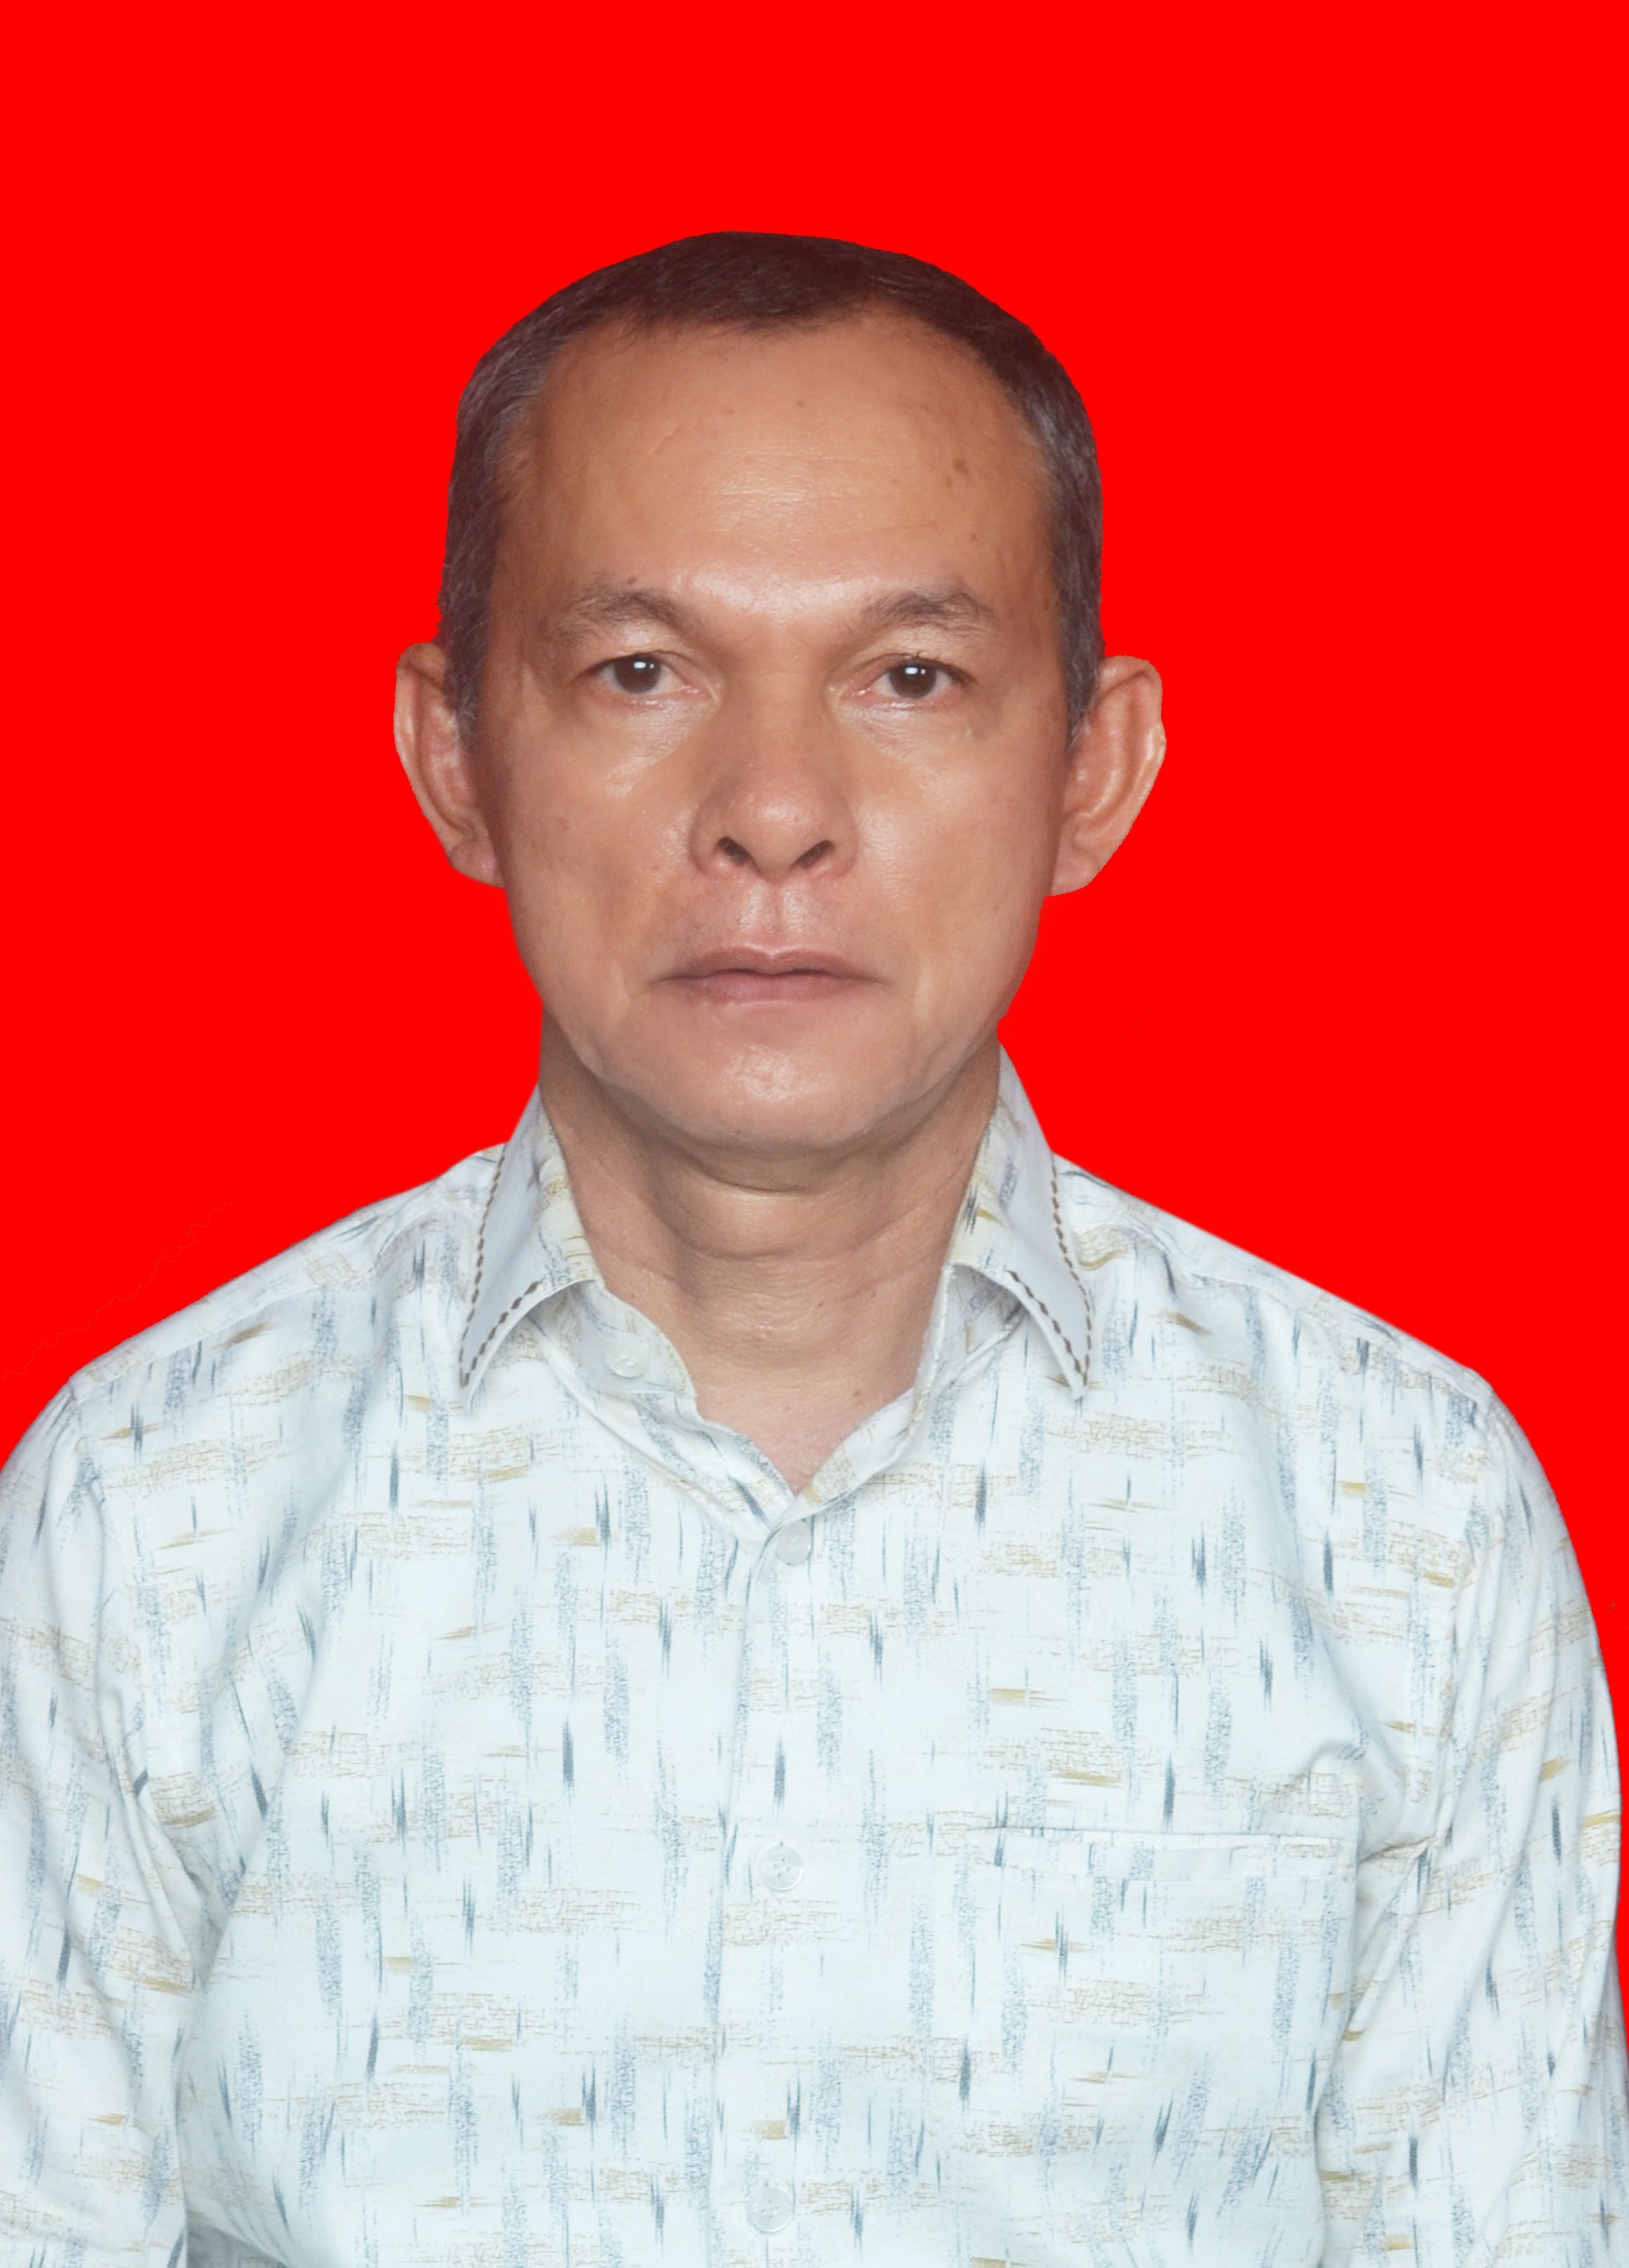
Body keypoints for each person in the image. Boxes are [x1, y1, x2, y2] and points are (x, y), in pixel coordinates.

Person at [0, 231, 1621, 2268]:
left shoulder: (1406, 1519)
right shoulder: (149, 1509)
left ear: (1094, 767)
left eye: (909, 677)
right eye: (640, 672)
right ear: (453, 754)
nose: (773, 810)